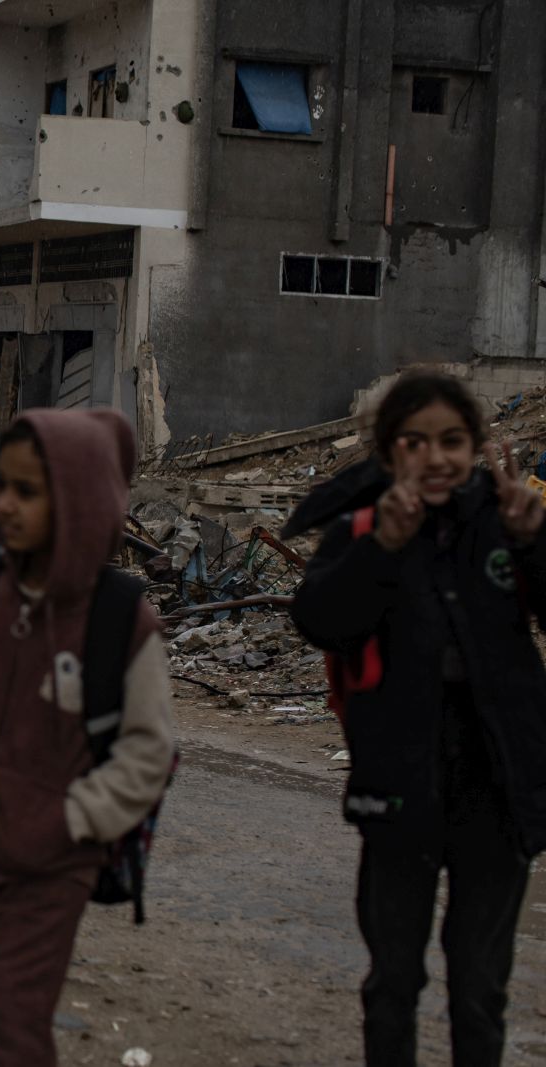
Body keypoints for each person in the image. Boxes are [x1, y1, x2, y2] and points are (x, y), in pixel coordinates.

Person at [0, 410, 175, 1067]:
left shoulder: (119, 618)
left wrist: (74, 819)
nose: (8, 505)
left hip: (55, 860)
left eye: (30, 491)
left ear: (79, 498)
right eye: (5, 486)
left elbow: (148, 750)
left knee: (17, 1015)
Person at [288, 371, 546, 1067]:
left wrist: (533, 545)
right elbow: (319, 619)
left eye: (454, 441)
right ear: (388, 451)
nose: (437, 457)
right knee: (393, 979)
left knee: (480, 985)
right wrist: (382, 550)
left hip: (495, 784)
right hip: (398, 781)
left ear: (477, 446)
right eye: (417, 441)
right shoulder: (362, 527)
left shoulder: (507, 518)